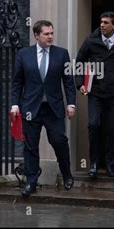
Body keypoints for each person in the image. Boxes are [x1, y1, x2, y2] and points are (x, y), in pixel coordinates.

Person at [10, 20, 76, 197]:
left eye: (52, 33)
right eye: (46, 34)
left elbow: (68, 81)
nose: (50, 37)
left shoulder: (62, 54)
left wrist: (71, 103)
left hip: (54, 109)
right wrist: (15, 105)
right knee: (30, 146)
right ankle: (31, 182)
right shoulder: (24, 54)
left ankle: (67, 174)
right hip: (31, 108)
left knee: (59, 142)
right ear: (36, 35)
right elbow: (17, 82)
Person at [75, 12, 114, 178]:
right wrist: (81, 84)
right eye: (101, 22)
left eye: (106, 23)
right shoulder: (91, 40)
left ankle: (110, 165)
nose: (102, 25)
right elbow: (79, 61)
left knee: (112, 129)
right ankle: (93, 164)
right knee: (93, 125)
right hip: (96, 92)